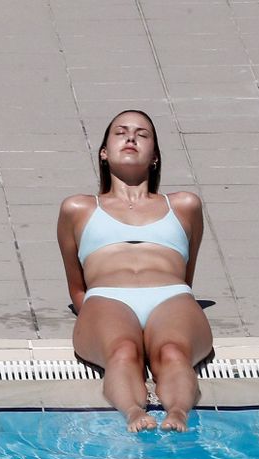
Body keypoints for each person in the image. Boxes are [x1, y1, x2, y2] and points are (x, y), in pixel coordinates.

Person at [56, 110, 211, 432]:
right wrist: (97, 316)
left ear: (154, 156)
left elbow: (186, 273)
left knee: (172, 351)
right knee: (123, 350)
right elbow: (76, 286)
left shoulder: (184, 205)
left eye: (142, 134)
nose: (130, 138)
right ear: (103, 152)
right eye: (120, 132)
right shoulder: (78, 208)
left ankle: (179, 412)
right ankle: (132, 412)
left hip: (170, 294)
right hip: (107, 296)